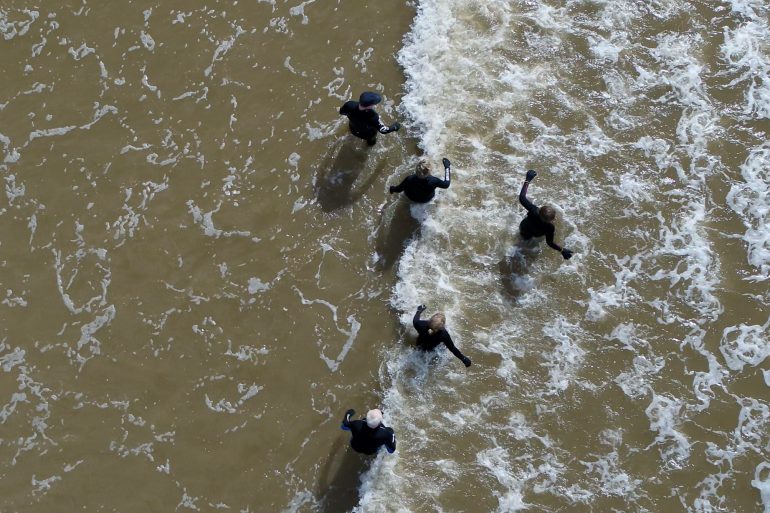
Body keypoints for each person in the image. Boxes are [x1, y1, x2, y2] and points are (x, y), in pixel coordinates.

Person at [518, 169, 573, 259]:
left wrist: (528, 180)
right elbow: (549, 243)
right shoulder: (550, 227)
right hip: (535, 234)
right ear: (548, 220)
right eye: (553, 218)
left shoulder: (534, 211)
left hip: (524, 229)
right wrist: (562, 250)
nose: (554, 219)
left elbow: (522, 198)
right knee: (529, 245)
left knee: (523, 240)